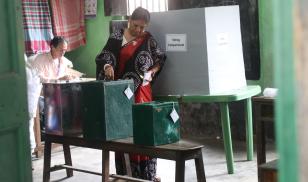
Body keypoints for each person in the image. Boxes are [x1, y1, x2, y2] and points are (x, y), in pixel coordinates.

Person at [95, 7, 166, 181]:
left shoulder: (147, 39)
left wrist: (153, 72)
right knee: (123, 129)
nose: (139, 30)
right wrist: (107, 67)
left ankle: (147, 174)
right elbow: (104, 56)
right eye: (136, 26)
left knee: (144, 129)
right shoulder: (117, 36)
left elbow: (160, 58)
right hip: (120, 92)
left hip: (141, 92)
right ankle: (125, 173)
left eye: (143, 27)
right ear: (129, 20)